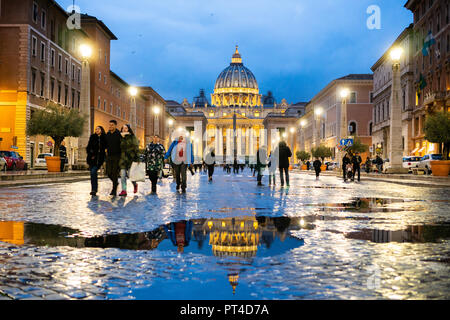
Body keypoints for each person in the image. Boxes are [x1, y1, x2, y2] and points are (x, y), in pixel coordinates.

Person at [118, 124, 140, 197]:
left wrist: (137, 158)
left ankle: (135, 184)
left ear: (128, 129)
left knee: (131, 175)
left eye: (126, 128)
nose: (124, 129)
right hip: (122, 159)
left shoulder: (132, 137)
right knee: (123, 175)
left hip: (131, 159)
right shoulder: (119, 137)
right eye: (123, 128)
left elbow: (136, 148)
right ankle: (124, 190)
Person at [86, 126, 107, 196]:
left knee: (93, 171)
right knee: (92, 174)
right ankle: (94, 189)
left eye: (98, 129)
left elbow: (107, 146)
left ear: (101, 130)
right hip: (92, 158)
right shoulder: (93, 137)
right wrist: (91, 153)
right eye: (96, 129)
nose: (97, 130)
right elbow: (88, 147)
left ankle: (94, 189)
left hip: (99, 158)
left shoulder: (104, 137)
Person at [105, 120, 122, 196]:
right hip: (109, 156)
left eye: (112, 125)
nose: (110, 126)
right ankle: (116, 182)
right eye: (109, 125)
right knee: (108, 173)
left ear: (115, 126)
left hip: (117, 156)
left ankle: (114, 190)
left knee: (115, 173)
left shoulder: (119, 134)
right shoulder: (107, 134)